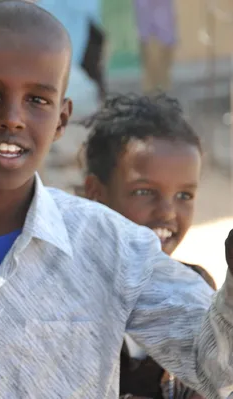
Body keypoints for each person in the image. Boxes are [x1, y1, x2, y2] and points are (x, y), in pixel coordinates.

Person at [0, 1, 233, 397]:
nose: (12, 117)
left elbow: (215, 371)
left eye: (37, 100)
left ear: (61, 119)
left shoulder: (112, 245)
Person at [81, 92, 216, 399]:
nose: (168, 212)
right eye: (144, 192)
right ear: (95, 193)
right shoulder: (68, 300)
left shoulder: (195, 290)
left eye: (184, 196)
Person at [133, 0, 178, 93]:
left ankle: (161, 92)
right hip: (151, 35)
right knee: (152, 75)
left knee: (163, 76)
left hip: (164, 34)